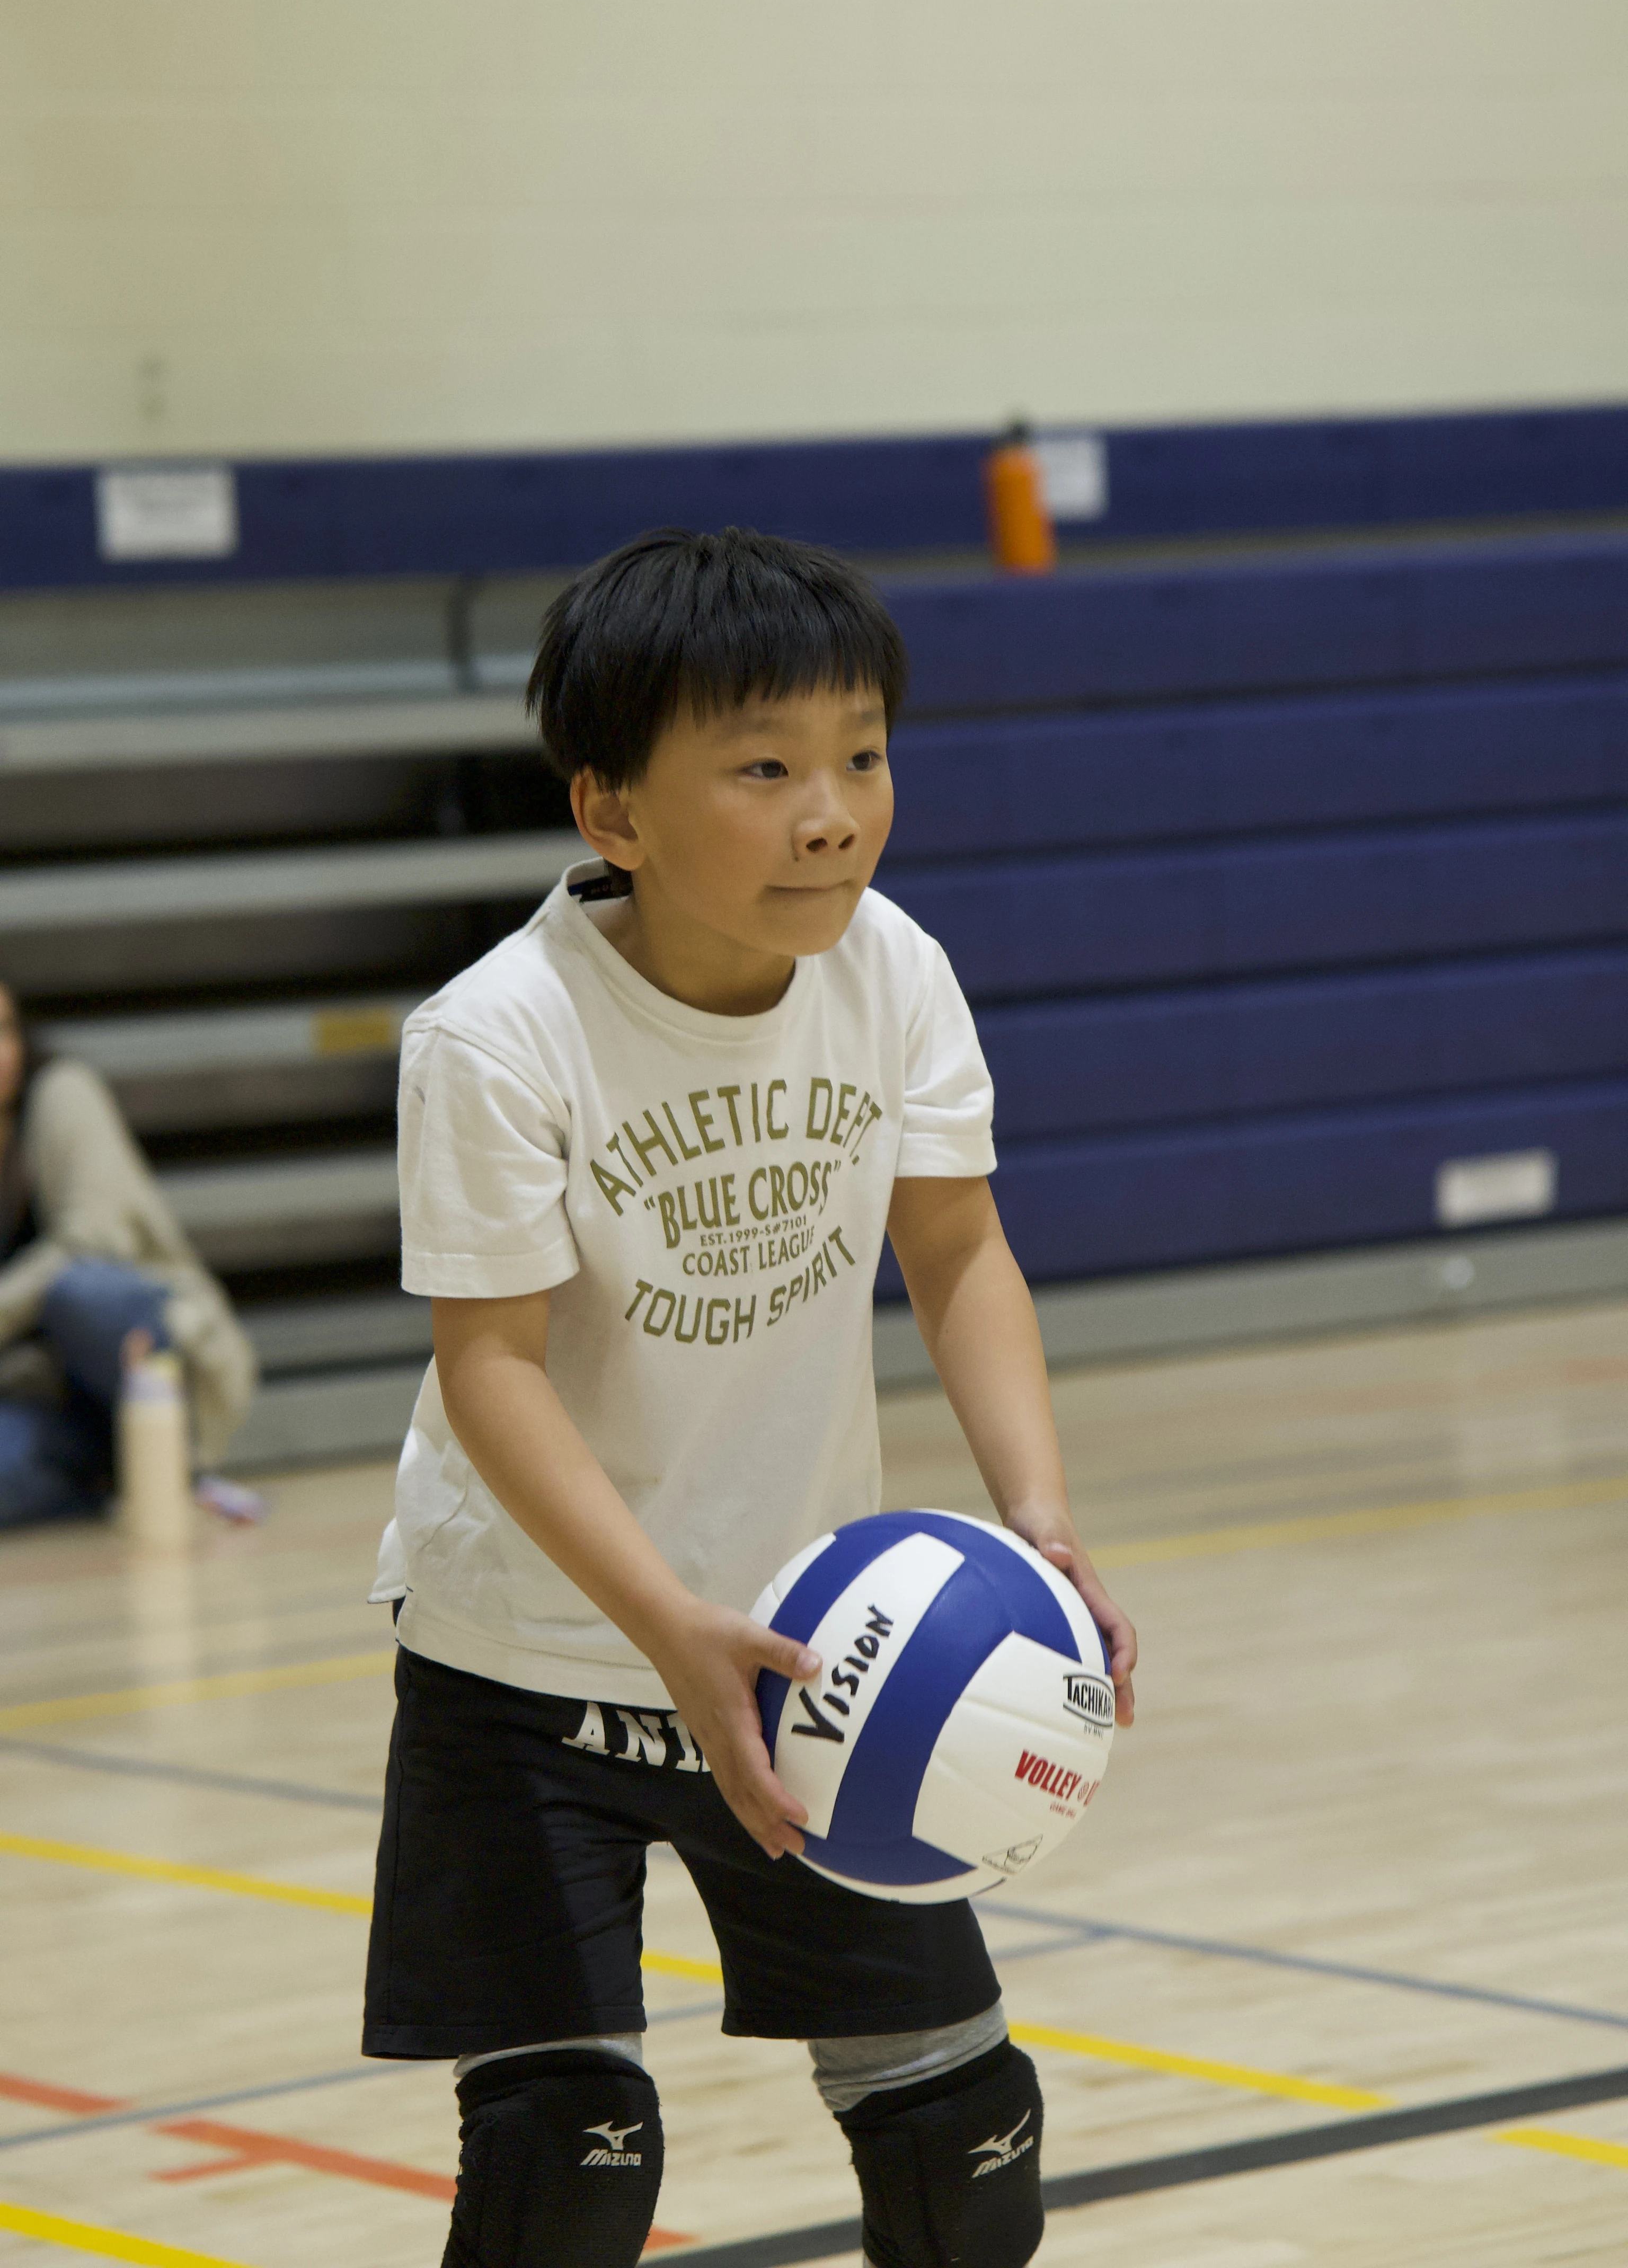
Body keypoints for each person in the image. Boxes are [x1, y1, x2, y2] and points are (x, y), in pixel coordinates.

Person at [363, 527, 1137, 2268]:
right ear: (613, 812)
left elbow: (959, 1248)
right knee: (571, 2156)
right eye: (765, 768)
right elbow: (489, 1367)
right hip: (529, 1662)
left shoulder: (894, 969)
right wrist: (665, 1628)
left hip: (810, 1658)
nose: (833, 814)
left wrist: (1039, 1519)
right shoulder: (495, 1038)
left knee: (961, 2132)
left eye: (862, 755)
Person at [0, 986, 258, 1528]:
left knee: (82, 1292)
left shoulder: (61, 1091)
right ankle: (114, 1482)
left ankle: (177, 1461)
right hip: (38, 1389)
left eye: (5, 1029)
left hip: (129, 1345)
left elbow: (92, 1242)